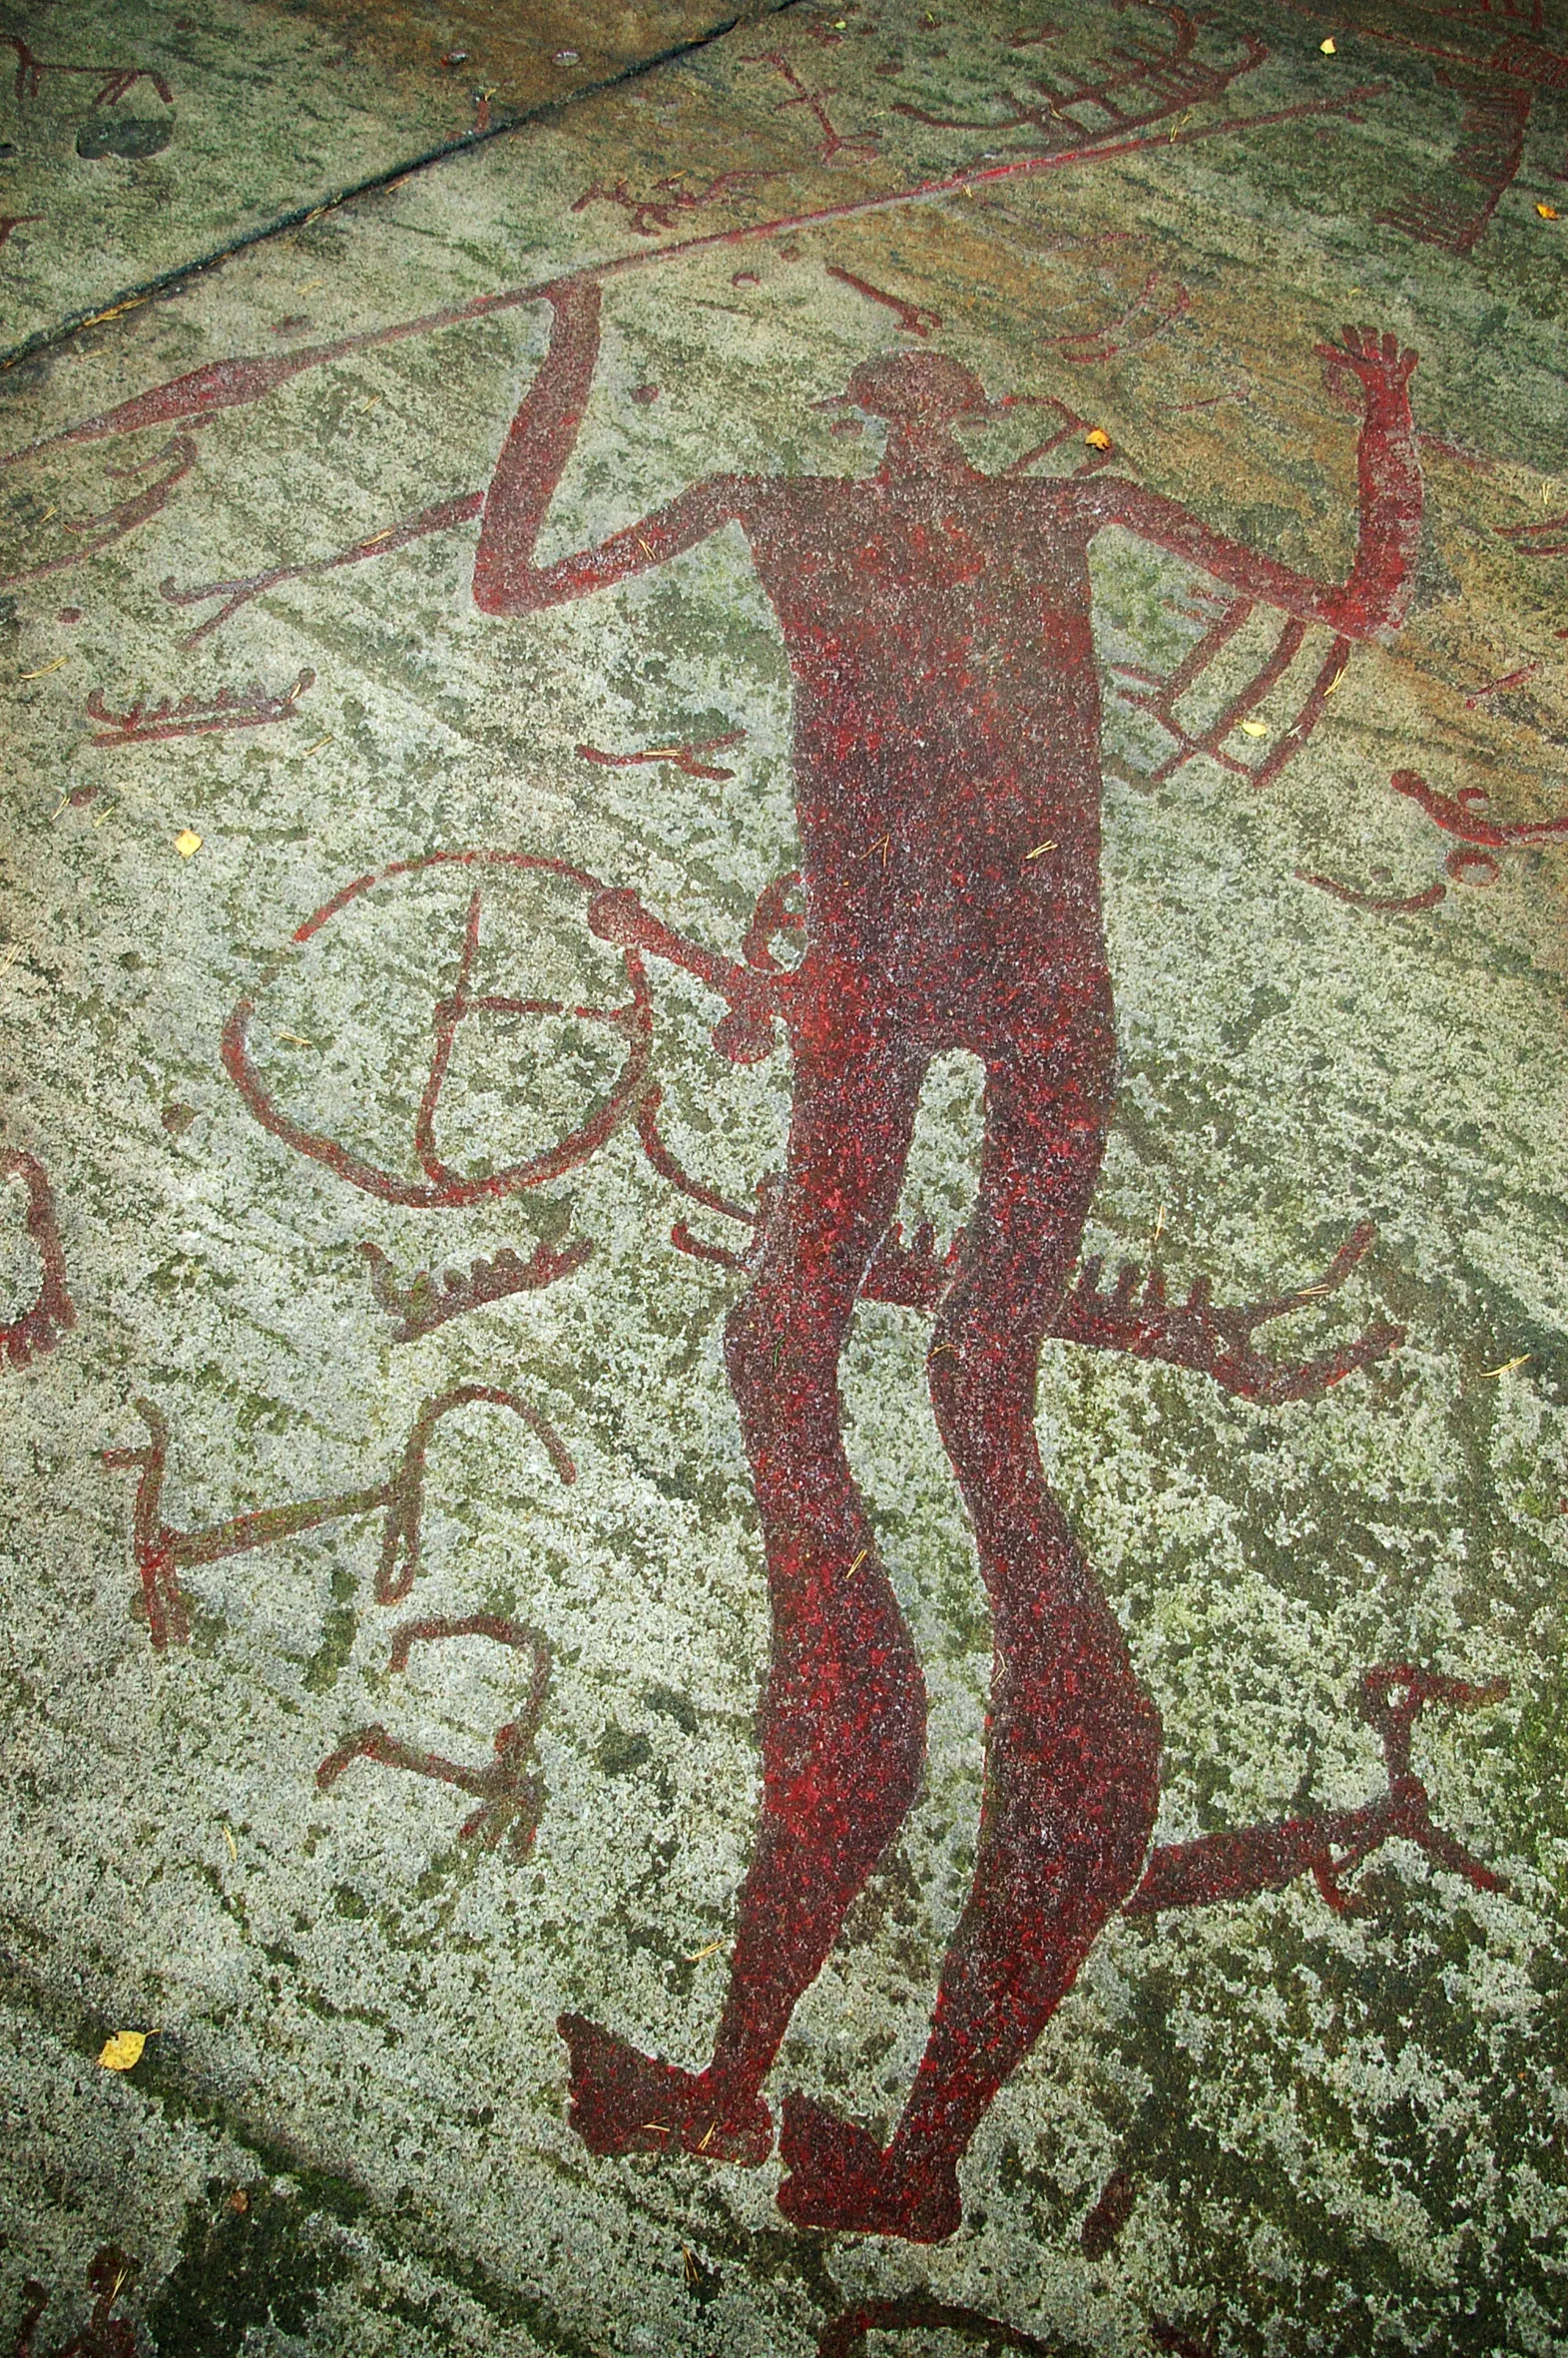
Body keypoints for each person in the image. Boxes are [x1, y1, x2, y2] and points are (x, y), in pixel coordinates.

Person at [472, 281, 1421, 2239]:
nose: (918, 424)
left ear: (922, 411)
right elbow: (511, 578)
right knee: (869, 1398)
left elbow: (506, 580)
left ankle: (866, 2097)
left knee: (939, 1417)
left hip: (940, 990)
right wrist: (560, 353)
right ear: (928, 410)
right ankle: (779, 2079)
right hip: (917, 993)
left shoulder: (853, 510)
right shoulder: (880, 511)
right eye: (914, 403)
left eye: (922, 401)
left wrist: (558, 357)